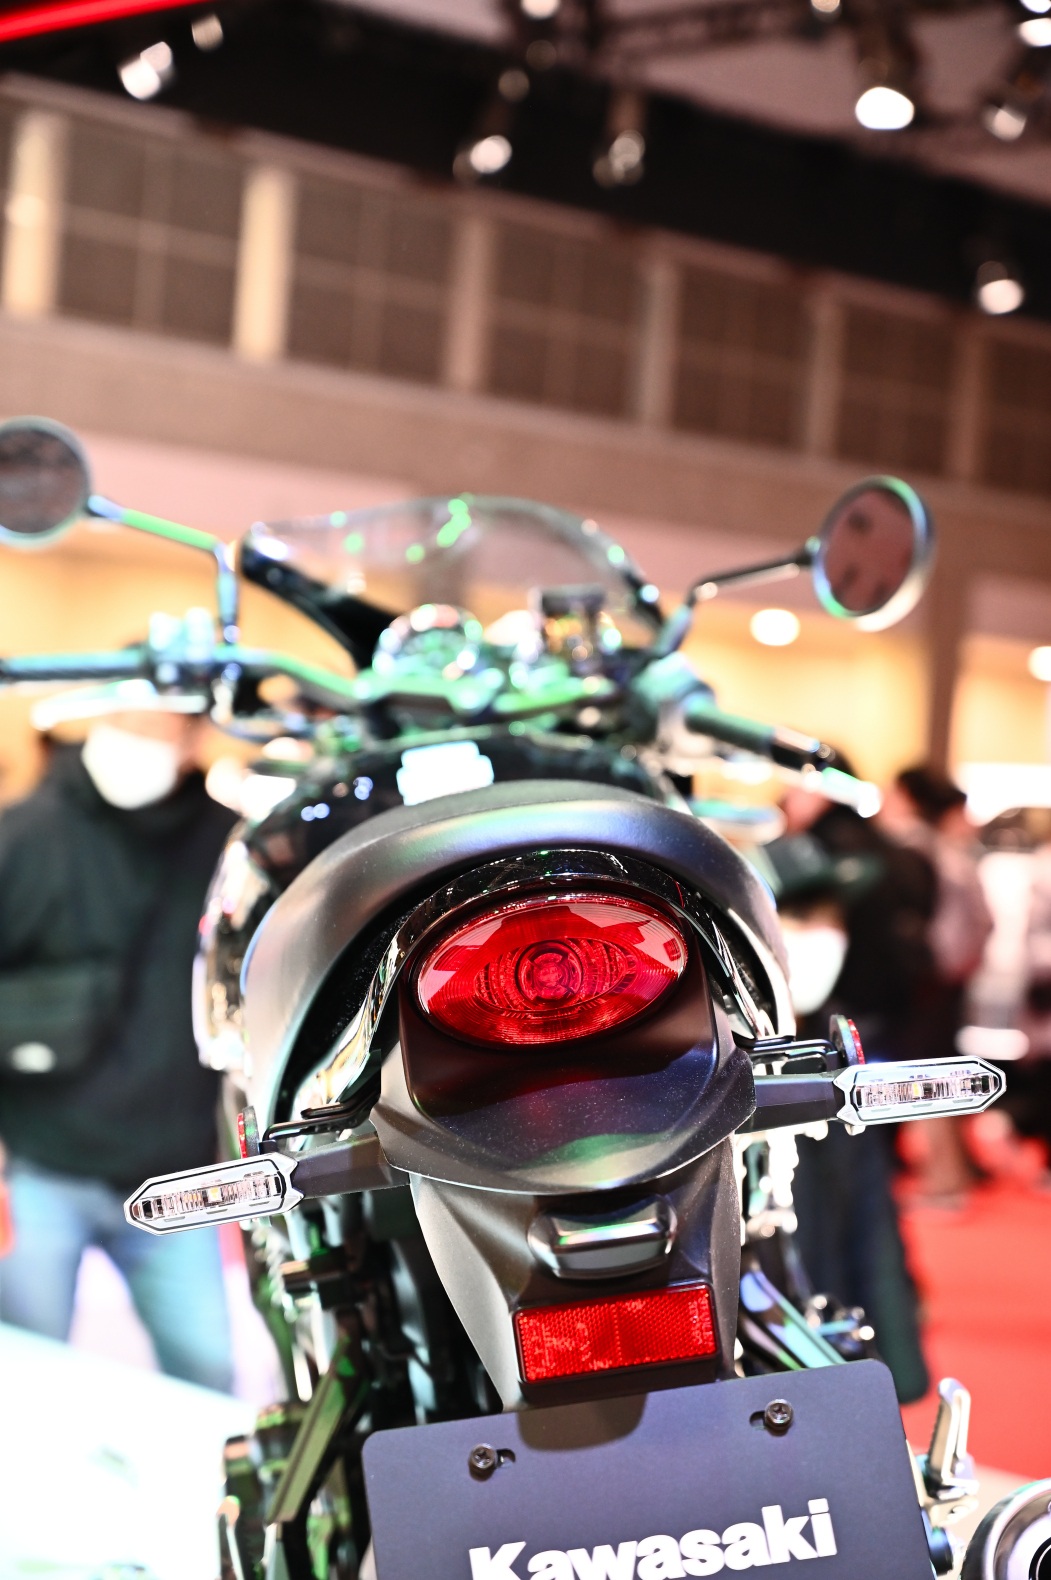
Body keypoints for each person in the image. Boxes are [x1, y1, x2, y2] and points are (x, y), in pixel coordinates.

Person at [0, 685, 238, 1391]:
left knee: (206, 1372)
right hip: (42, 1168)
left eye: (161, 726)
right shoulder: (27, 835)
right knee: (27, 1375)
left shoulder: (229, 848)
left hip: (177, 1175)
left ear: (194, 738)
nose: (140, 739)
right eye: (129, 720)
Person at [762, 767, 937, 1403]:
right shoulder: (729, 1056)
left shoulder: (840, 1044)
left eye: (827, 917)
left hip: (841, 1358)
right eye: (798, 918)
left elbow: (872, 1228)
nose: (819, 934)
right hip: (764, 1372)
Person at [879, 765, 993, 1199]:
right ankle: (954, 1173)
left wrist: (929, 970)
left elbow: (951, 928)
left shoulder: (918, 850)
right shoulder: (948, 852)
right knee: (944, 1073)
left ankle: (945, 1182)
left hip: (930, 983)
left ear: (909, 797)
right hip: (947, 982)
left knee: (929, 1080)